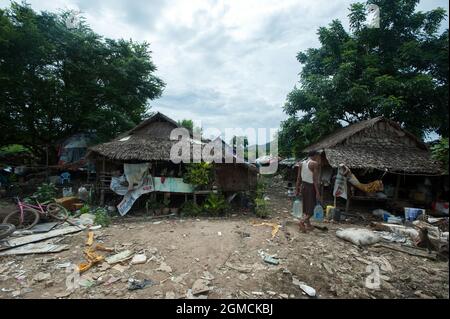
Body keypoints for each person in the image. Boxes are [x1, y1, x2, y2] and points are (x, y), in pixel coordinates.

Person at [295, 150, 321, 231]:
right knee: (312, 207)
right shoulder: (314, 164)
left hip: (303, 186)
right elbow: (315, 180)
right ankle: (302, 222)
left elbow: (298, 177)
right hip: (311, 187)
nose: (318, 158)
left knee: (306, 206)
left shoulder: (301, 163)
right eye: (317, 156)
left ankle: (308, 225)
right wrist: (317, 192)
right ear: (315, 155)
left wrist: (297, 189)